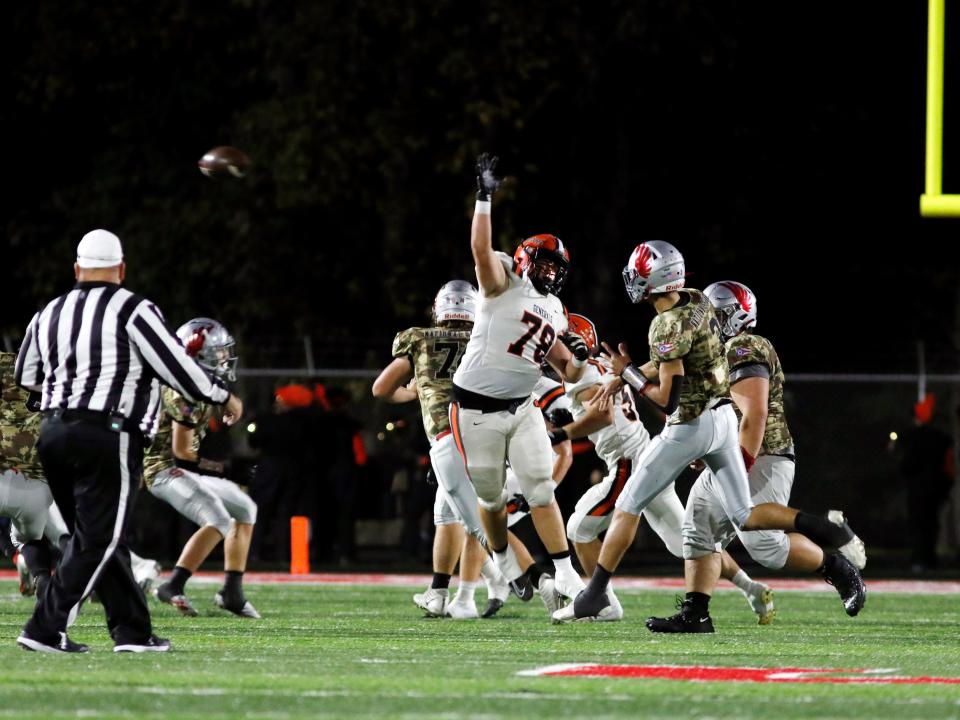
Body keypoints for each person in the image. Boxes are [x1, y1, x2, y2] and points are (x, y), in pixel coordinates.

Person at [553, 241, 865, 624]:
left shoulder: (669, 324)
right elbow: (677, 352)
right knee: (741, 517)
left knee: (628, 505)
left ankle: (595, 594)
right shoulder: (697, 300)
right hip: (722, 423)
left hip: (692, 424)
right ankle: (816, 529)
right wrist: (627, 374)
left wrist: (630, 372)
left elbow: (668, 400)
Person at [14, 229, 242, 653]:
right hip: (107, 432)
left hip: (54, 432)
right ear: (121, 269)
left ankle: (132, 631)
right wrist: (222, 395)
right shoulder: (133, 309)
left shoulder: (51, 311)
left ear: (77, 269)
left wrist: (66, 394)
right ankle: (44, 627)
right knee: (95, 538)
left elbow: (25, 375)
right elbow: (177, 367)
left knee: (97, 534)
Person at [645, 281, 866, 632]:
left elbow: (755, 413)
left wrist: (741, 461)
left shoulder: (745, 345)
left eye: (711, 316)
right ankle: (696, 613)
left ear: (731, 316)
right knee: (697, 525)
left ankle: (837, 566)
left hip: (762, 454)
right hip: (727, 452)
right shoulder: (717, 351)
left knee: (766, 548)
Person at [546, 313, 773, 624]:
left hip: (627, 462)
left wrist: (563, 433)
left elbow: (600, 416)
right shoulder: (599, 367)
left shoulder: (583, 374)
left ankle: (602, 602)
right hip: (644, 453)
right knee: (686, 541)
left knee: (578, 528)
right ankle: (752, 588)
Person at [449, 154, 591, 604]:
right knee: (490, 500)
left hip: (523, 407)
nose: (551, 272)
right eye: (545, 263)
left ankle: (566, 572)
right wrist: (484, 198)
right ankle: (504, 560)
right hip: (476, 408)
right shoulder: (502, 281)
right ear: (528, 259)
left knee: (541, 486)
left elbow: (566, 368)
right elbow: (478, 249)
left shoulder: (554, 310)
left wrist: (581, 358)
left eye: (556, 267)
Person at [372, 280, 511, 619]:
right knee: (448, 513)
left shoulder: (419, 338)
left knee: (469, 515)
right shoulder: (487, 337)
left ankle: (498, 581)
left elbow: (381, 389)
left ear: (439, 309)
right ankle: (439, 592)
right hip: (486, 434)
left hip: (446, 437)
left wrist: (416, 391)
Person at [146, 318, 260, 619]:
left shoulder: (199, 382)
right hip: (163, 469)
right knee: (219, 518)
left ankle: (232, 593)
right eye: (218, 353)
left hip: (183, 468)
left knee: (245, 509)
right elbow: (182, 453)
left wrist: (229, 401)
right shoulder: (184, 389)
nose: (224, 359)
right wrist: (226, 470)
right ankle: (172, 585)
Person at [898, 393, 953, 572]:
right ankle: (930, 559)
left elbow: (908, 463)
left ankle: (919, 560)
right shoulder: (942, 438)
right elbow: (948, 464)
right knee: (931, 524)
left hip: (918, 487)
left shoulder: (913, 437)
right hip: (936, 487)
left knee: (918, 524)